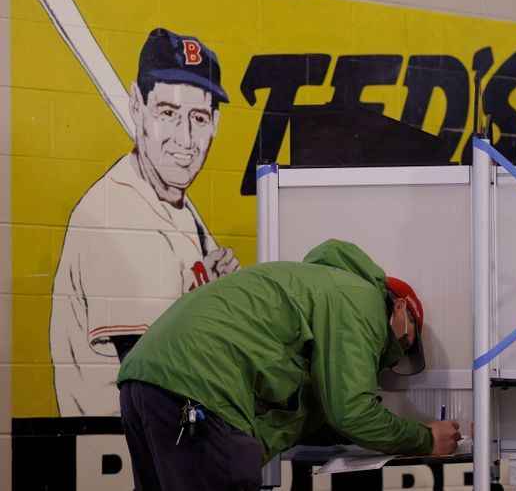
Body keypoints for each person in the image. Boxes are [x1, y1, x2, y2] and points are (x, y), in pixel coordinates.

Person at [117, 238, 462, 491]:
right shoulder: (362, 300)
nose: (398, 354)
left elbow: (303, 412)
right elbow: (351, 411)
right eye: (407, 341)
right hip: (198, 387)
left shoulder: (313, 289)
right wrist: (425, 439)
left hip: (145, 378)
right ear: (399, 308)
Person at [50, 28, 239, 416]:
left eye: (199, 117)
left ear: (216, 124)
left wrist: (209, 290)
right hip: (120, 447)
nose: (185, 139)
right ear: (137, 106)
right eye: (167, 113)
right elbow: (154, 371)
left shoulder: (171, 203)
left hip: (159, 440)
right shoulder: (118, 213)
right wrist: (220, 309)